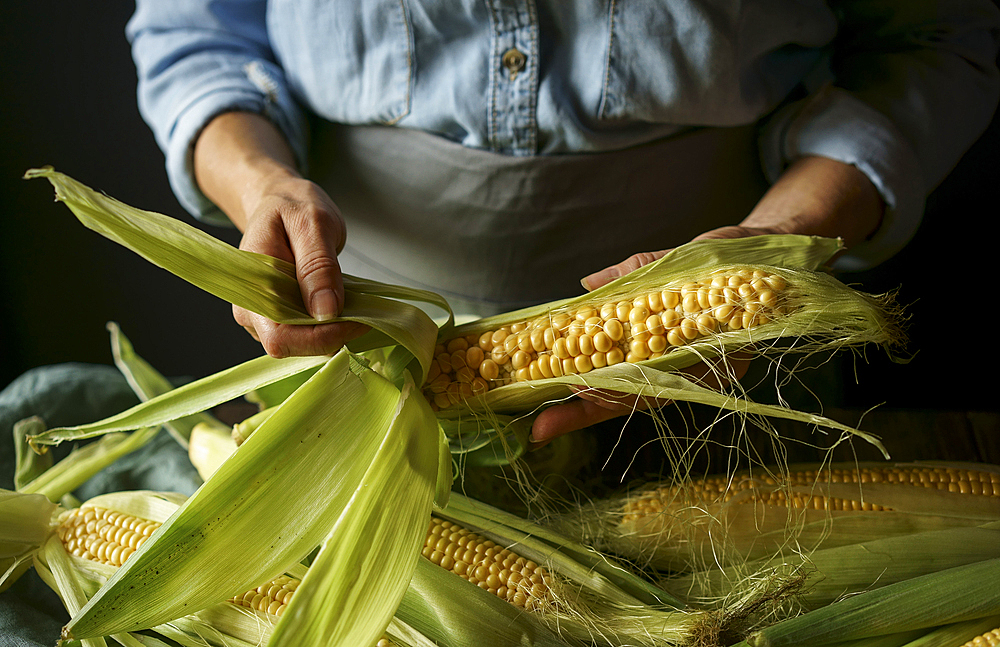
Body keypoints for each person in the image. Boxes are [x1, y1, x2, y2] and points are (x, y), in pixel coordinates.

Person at [127, 1, 999, 445]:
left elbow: (927, 38)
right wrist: (262, 186)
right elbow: (195, 30)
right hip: (355, 343)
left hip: (727, 358)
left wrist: (782, 242)